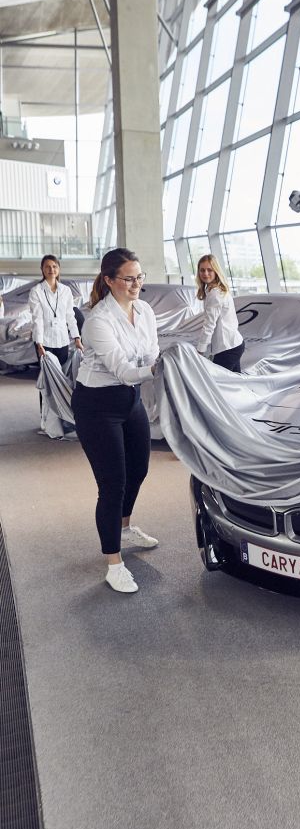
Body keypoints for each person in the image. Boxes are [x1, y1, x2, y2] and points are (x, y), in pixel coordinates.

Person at [71, 248, 159, 594]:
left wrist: (160, 363)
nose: (136, 284)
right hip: (97, 405)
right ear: (109, 280)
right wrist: (159, 368)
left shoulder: (145, 310)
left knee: (139, 470)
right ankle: (114, 564)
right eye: (128, 279)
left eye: (139, 277)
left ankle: (124, 527)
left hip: (129, 399)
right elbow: (123, 371)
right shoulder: (98, 321)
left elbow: (150, 352)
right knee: (113, 484)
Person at [28, 254, 83, 367]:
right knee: (48, 373)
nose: (51, 269)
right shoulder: (36, 291)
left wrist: (77, 338)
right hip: (44, 340)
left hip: (62, 339)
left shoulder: (66, 290)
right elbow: (37, 319)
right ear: (42, 269)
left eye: (54, 266)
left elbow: (70, 316)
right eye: (47, 266)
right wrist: (39, 343)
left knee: (62, 373)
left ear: (59, 268)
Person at [195, 254, 244, 373]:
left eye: (209, 270)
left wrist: (200, 351)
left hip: (228, 348)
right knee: (236, 382)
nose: (205, 273)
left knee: (217, 382)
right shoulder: (214, 290)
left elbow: (209, 325)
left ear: (216, 271)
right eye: (202, 270)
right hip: (234, 344)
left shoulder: (215, 294)